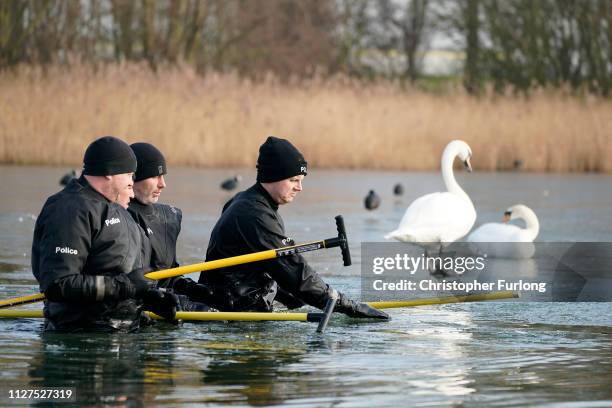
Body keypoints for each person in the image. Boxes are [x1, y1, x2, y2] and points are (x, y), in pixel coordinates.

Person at [199, 136, 389, 319]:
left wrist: (296, 298)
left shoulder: (246, 200)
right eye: (293, 180)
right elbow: (294, 270)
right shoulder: (255, 214)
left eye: (301, 181)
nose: (299, 188)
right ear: (273, 176)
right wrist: (344, 304)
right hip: (227, 312)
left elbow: (272, 268)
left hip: (234, 300)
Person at [32, 136, 178, 332]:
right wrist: (125, 286)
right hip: (81, 340)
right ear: (109, 172)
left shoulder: (117, 209)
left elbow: (113, 271)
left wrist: (147, 297)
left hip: (124, 338)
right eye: (129, 175)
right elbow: (58, 284)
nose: (132, 183)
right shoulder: (70, 209)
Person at [128, 142, 215, 311]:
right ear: (132, 179)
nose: (163, 184)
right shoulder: (118, 219)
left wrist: (189, 287)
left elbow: (169, 273)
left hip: (166, 305)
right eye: (155, 176)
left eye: (163, 176)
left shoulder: (169, 217)